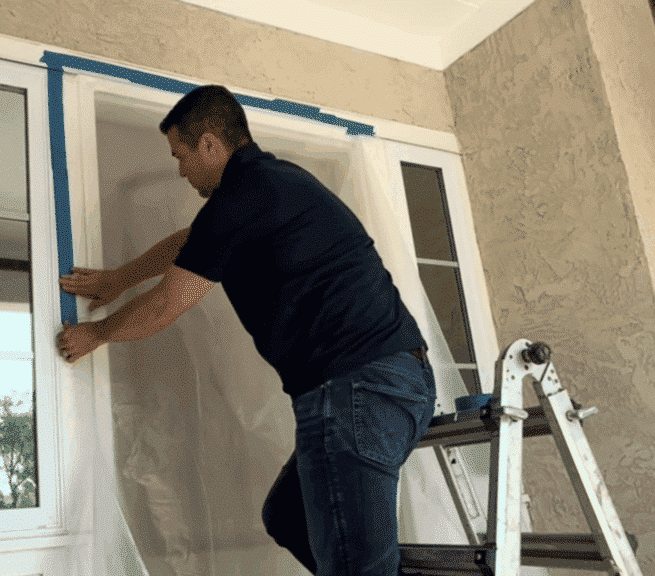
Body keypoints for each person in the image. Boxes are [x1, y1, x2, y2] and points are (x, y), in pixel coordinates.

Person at [57, 84, 436, 576]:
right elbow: (189, 243)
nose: (180, 170)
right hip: (389, 381)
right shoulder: (268, 186)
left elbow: (168, 304)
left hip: (356, 389)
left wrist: (95, 335)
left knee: (357, 567)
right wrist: (119, 279)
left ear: (210, 145)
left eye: (181, 155)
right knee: (287, 516)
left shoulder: (243, 197)